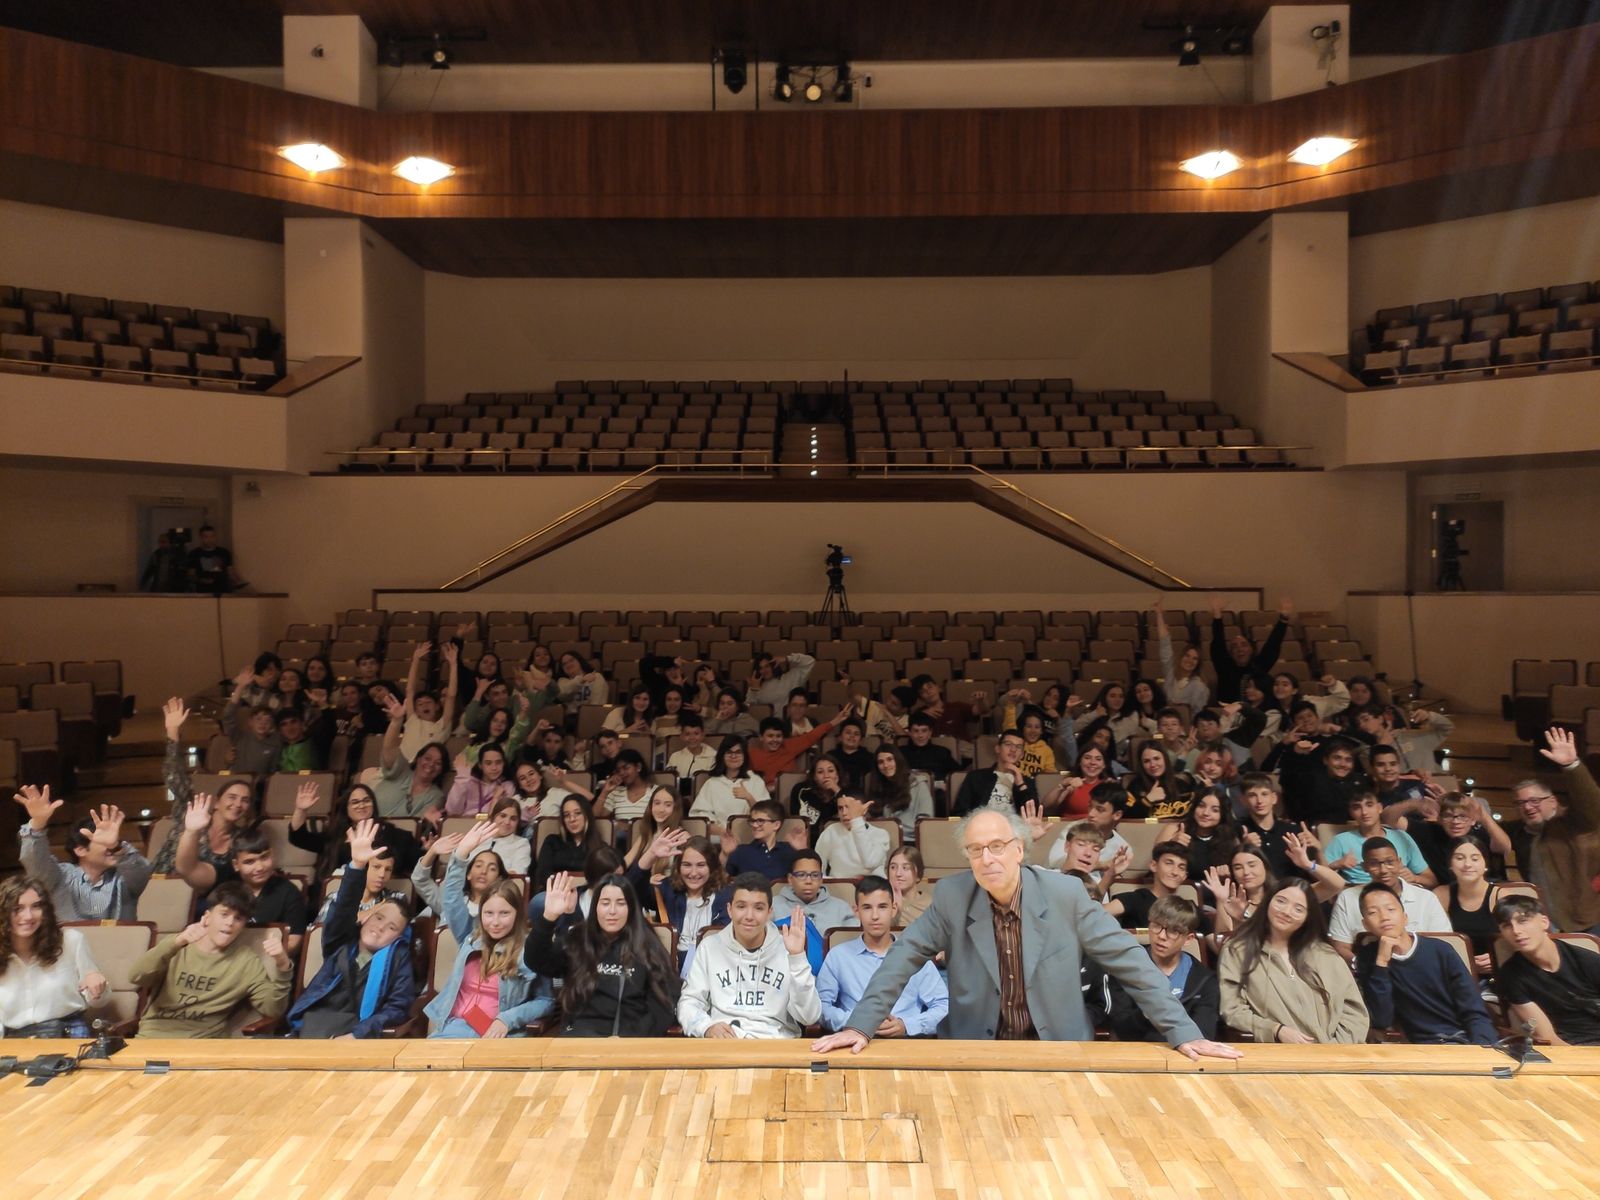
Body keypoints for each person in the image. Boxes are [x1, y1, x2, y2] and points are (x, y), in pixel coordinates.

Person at [811, 808, 1239, 1057]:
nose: (987, 858)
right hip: (975, 1048)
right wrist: (861, 1026)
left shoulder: (1066, 893)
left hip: (1058, 1047)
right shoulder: (953, 897)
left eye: (997, 846)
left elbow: (1131, 963)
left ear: (1019, 849)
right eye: (976, 850)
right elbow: (901, 959)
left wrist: (1185, 1034)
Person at [287, 820, 416, 1039]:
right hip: (315, 1028)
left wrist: (357, 1035)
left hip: (356, 1035)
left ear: (398, 936)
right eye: (378, 917)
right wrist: (356, 865)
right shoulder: (340, 943)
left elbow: (397, 1008)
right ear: (365, 918)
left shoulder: (398, 958)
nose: (380, 927)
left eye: (392, 927)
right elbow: (344, 909)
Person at [424, 823, 552, 1038]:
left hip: (498, 1035)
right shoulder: (470, 937)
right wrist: (461, 854)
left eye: (504, 914)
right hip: (453, 1030)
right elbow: (452, 898)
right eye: (489, 913)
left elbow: (546, 1001)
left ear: (517, 914)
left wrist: (508, 1019)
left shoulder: (531, 948)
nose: (495, 922)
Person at [527, 871, 680, 1037]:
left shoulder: (648, 945)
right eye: (605, 903)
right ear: (595, 907)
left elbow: (664, 1006)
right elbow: (536, 960)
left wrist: (630, 1039)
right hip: (579, 1040)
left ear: (631, 908)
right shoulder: (578, 939)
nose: (612, 911)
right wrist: (549, 916)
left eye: (621, 903)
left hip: (630, 1045)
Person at [129, 882, 292, 1038]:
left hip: (206, 1042)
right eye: (224, 914)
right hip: (154, 1037)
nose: (230, 923)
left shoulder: (246, 961)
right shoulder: (177, 945)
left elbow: (273, 1010)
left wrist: (283, 965)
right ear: (207, 917)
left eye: (238, 918)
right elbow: (137, 977)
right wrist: (176, 942)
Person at [1218, 876, 1368, 1044]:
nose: (1286, 912)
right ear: (1267, 902)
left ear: (1308, 917)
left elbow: (1353, 1011)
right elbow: (1232, 1009)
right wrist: (1274, 1030)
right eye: (1281, 901)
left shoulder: (1325, 954)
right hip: (1277, 1056)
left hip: (1335, 1057)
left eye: (1298, 909)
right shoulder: (1238, 950)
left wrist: (1333, 1050)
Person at [678, 872, 821, 1038]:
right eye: (741, 906)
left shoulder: (788, 948)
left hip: (776, 1046)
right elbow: (689, 1002)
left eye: (758, 908)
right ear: (729, 910)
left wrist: (797, 958)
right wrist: (706, 1027)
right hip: (725, 1045)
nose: (749, 916)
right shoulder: (709, 947)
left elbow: (809, 1017)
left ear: (769, 912)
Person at [1353, 883, 1496, 1045]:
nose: (1384, 917)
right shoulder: (1369, 958)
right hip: (1419, 1046)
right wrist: (1381, 963)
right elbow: (1381, 1019)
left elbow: (1473, 1009)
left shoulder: (1440, 950)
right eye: (1373, 912)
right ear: (1365, 925)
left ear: (1405, 917)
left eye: (1390, 909)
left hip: (1461, 1038)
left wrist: (1483, 1049)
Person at [818, 876, 948, 1038]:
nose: (875, 916)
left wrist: (907, 1025)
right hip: (852, 1042)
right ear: (856, 911)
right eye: (867, 907)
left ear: (893, 909)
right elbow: (821, 1007)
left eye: (882, 907)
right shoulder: (838, 956)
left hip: (907, 1044)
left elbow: (944, 1006)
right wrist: (859, 1022)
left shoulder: (916, 954)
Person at [173, 804, 308, 956]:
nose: (259, 867)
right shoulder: (224, 881)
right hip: (216, 958)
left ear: (272, 854)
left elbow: (294, 942)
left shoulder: (288, 892)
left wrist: (254, 959)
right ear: (236, 865)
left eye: (264, 858)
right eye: (249, 862)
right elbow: (186, 868)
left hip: (262, 963)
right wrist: (191, 832)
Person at [1504, 728, 1600, 935]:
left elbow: (1591, 804)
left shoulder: (1575, 823)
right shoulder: (1521, 831)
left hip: (1589, 923)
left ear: (1553, 800)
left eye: (1534, 801)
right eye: (1521, 803)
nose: (1528, 807)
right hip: (1548, 926)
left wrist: (1572, 766)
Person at [14, 786, 151, 920]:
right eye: (103, 842)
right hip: (67, 943)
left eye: (114, 841)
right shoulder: (60, 875)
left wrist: (116, 847)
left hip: (120, 942)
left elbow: (142, 873)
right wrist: (37, 824)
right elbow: (36, 863)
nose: (110, 846)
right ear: (80, 850)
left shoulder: (124, 877)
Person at [0, 875, 108, 1038]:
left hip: (67, 1033)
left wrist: (98, 988)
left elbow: (98, 1000)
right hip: (16, 1039)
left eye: (36, 906)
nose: (28, 916)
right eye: (17, 909)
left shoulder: (70, 940)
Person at [1105, 896, 1219, 1042]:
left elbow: (1204, 1033)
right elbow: (1120, 1026)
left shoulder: (1205, 980)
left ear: (1188, 939)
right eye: (1157, 926)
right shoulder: (1126, 968)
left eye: (1174, 931)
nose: (1162, 936)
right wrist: (1149, 1011)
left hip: (1185, 1057)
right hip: (1135, 1052)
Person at [1495, 895, 1600, 1045]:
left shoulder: (1585, 960)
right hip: (1568, 1047)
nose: (1516, 931)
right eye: (1507, 926)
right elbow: (1548, 1037)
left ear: (1544, 922)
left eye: (1523, 921)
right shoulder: (1510, 976)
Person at [1327, 838, 1450, 962]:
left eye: (1389, 862)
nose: (1384, 870)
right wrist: (1363, 967)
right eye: (1374, 864)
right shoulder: (1347, 898)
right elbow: (1340, 946)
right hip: (1368, 972)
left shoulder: (1426, 898)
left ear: (1399, 862)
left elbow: (1445, 941)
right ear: (1364, 867)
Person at [630, 832, 728, 974]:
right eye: (687, 865)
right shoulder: (667, 889)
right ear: (678, 867)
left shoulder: (726, 895)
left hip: (713, 970)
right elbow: (629, 888)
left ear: (711, 867)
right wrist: (651, 855)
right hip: (671, 970)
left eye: (701, 865)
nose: (693, 873)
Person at [289, 781, 422, 885]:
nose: (361, 805)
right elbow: (298, 838)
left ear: (373, 804)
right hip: (338, 894)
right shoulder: (335, 836)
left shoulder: (393, 834)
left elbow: (415, 860)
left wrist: (426, 851)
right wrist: (300, 810)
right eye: (354, 802)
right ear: (346, 809)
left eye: (366, 800)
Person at [1323, 790, 1434, 886]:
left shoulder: (1402, 836)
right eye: (1357, 807)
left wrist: (1415, 878)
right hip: (1359, 893)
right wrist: (1337, 864)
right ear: (1351, 812)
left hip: (1400, 893)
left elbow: (1431, 880)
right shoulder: (1341, 841)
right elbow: (1318, 878)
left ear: (1380, 808)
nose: (1364, 812)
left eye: (1369, 805)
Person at [373, 695, 449, 820]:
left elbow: (418, 826)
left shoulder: (436, 796)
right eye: (427, 758)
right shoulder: (402, 771)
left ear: (442, 769)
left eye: (438, 763)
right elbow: (389, 748)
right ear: (418, 759)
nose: (431, 765)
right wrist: (396, 722)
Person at [1207, 595, 1291, 703]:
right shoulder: (1224, 667)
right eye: (1234, 646)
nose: (1240, 649)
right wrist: (1217, 615)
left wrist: (1283, 619)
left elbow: (1273, 645)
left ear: (1251, 649)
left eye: (1244, 645)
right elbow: (1218, 644)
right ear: (1231, 653)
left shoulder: (1259, 666)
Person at [1434, 837, 1500, 976]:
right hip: (1455, 969)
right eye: (1459, 858)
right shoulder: (1441, 895)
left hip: (1497, 970)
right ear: (1450, 864)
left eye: (1475, 859)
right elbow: (1436, 940)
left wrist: (1498, 956)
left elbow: (1517, 937)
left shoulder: (1501, 896)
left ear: (1485, 864)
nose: (1467, 864)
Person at [1103, 841, 1202, 932]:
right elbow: (1094, 915)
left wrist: (1218, 900)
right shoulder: (1135, 899)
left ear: (1185, 875)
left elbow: (1215, 942)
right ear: (1153, 866)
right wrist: (1109, 875)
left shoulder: (1190, 908)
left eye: (1181, 867)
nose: (1175, 872)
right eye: (1169, 863)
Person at [749, 708, 851, 792]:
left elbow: (811, 736)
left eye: (778, 736)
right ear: (761, 737)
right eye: (770, 736)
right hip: (759, 794)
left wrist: (836, 720)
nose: (775, 740)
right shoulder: (751, 754)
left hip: (787, 793)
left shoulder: (789, 746)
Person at [412, 834, 505, 922]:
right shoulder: (450, 902)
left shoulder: (502, 910)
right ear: (468, 875)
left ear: (499, 879)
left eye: (492, 869)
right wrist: (432, 851)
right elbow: (420, 880)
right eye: (479, 865)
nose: (484, 871)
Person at [690, 736, 769, 835]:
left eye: (738, 752)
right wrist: (721, 831)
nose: (733, 756)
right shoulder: (712, 783)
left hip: (751, 835)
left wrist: (749, 798)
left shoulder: (755, 781)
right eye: (729, 752)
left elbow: (768, 815)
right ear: (722, 755)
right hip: (719, 836)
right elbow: (699, 814)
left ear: (745, 756)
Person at [773, 850, 858, 942]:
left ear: (821, 879)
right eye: (801, 875)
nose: (809, 881)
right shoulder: (774, 906)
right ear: (790, 879)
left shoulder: (841, 908)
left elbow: (854, 943)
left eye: (815, 875)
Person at [531, 794, 607, 895]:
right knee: (538, 902)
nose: (572, 819)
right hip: (554, 894)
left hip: (587, 895)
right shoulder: (552, 841)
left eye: (578, 813)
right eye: (566, 815)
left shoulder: (600, 847)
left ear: (587, 815)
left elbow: (605, 878)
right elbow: (543, 876)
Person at [952, 729, 1038, 816]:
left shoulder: (1027, 783)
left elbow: (1034, 816)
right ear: (997, 749)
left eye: (1018, 747)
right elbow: (959, 813)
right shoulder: (976, 777)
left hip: (1013, 827)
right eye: (1008, 744)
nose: (1013, 749)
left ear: (1022, 755)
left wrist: (1020, 783)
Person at [399, 642, 459, 765]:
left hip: (427, 769)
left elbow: (451, 696)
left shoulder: (442, 724)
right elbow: (410, 691)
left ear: (437, 706)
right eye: (420, 704)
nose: (424, 705)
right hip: (402, 768)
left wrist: (453, 664)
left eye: (428, 702)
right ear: (415, 709)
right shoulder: (412, 719)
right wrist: (416, 659)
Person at [864, 746, 936, 842]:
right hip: (881, 839)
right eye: (881, 762)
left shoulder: (918, 783)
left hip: (910, 840)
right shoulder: (876, 785)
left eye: (889, 759)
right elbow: (872, 816)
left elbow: (925, 819)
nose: (885, 765)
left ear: (898, 761)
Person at [724, 799, 808, 881]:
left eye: (760, 821)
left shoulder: (789, 850)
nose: (754, 825)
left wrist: (802, 850)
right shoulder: (741, 851)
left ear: (776, 825)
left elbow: (807, 879)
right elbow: (721, 880)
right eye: (752, 821)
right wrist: (725, 854)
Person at [815, 792, 891, 879]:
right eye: (840, 808)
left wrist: (857, 821)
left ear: (864, 810)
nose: (844, 813)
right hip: (838, 889)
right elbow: (817, 870)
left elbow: (870, 863)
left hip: (872, 889)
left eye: (849, 807)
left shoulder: (880, 834)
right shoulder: (831, 831)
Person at [1153, 598, 1209, 714]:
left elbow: (1196, 715)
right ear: (1181, 657)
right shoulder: (1170, 672)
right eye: (1187, 656)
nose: (1190, 660)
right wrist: (1159, 614)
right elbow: (1165, 645)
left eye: (1195, 659)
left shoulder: (1199, 687)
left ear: (1198, 664)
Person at [1122, 740, 1195, 821]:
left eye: (1156, 758)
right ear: (1141, 765)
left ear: (1165, 759)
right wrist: (1147, 800)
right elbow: (1125, 816)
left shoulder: (1182, 785)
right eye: (1146, 761)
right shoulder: (1134, 786)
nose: (1152, 764)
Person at [789, 753, 846, 832]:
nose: (826, 776)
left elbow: (852, 816)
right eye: (820, 772)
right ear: (814, 777)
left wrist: (836, 790)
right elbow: (795, 822)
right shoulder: (802, 790)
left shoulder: (845, 793)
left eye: (831, 771)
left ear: (837, 774)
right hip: (806, 838)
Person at [594, 749, 653, 823]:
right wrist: (605, 791)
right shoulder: (616, 792)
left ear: (638, 767)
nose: (621, 773)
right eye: (618, 770)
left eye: (626, 768)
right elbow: (596, 818)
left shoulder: (655, 792)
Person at [901, 713, 960, 783]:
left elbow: (957, 775)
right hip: (907, 791)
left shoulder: (942, 753)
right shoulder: (899, 753)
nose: (920, 735)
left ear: (930, 732)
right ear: (910, 733)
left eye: (924, 731)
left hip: (936, 792)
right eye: (916, 731)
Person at [186, 524, 245, 593]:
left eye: (212, 536)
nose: (210, 539)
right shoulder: (194, 553)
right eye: (206, 537)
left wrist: (237, 582)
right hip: (204, 592)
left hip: (223, 590)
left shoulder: (224, 552)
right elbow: (190, 574)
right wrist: (201, 580)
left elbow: (230, 571)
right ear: (201, 538)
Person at [747, 651, 817, 708]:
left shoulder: (790, 678)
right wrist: (754, 690)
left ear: (773, 665)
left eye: (767, 666)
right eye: (761, 668)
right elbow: (749, 708)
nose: (764, 670)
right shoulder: (755, 685)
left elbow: (810, 661)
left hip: (788, 722)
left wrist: (787, 658)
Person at [665, 713, 716, 790]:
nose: (692, 738)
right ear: (681, 736)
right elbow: (669, 781)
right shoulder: (675, 757)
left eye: (696, 733)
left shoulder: (713, 756)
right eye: (687, 734)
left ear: (703, 734)